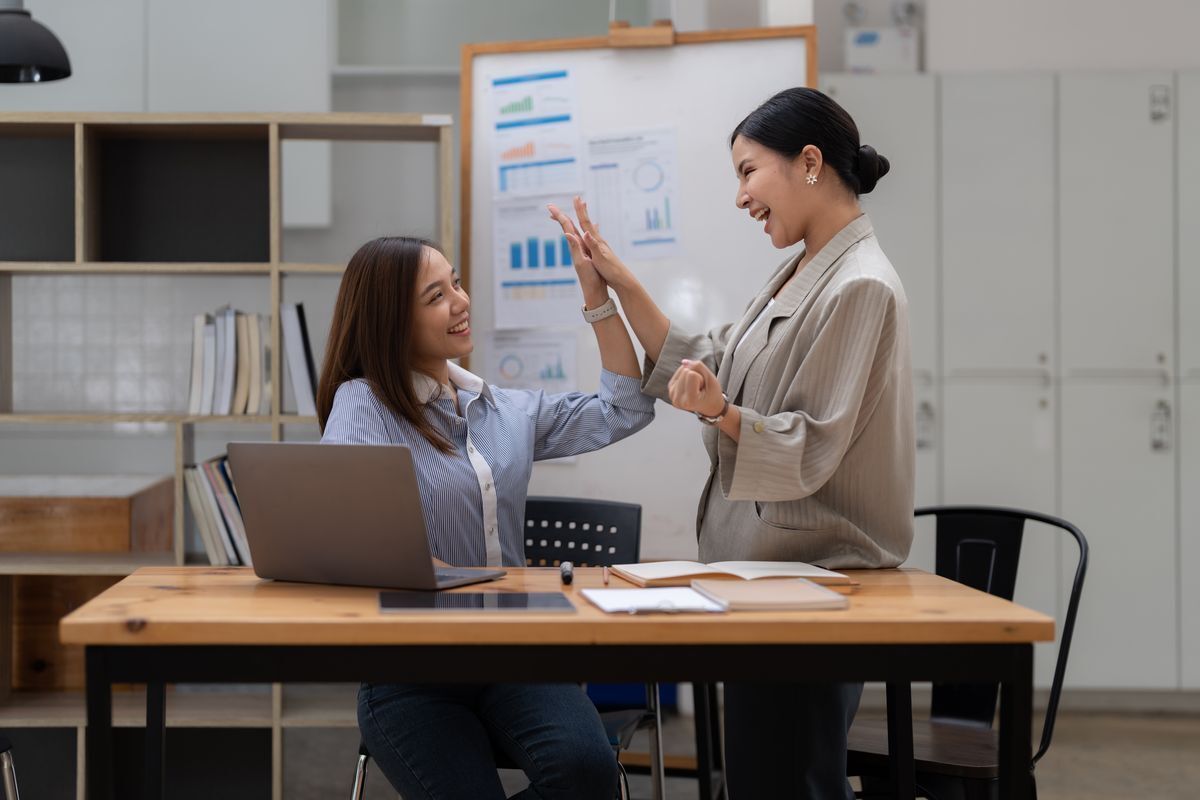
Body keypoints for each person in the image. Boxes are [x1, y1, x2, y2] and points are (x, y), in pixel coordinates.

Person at [550, 86, 914, 799]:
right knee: (759, 777)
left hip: (814, 583)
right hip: (767, 576)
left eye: (749, 171)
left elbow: (811, 444)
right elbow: (711, 360)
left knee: (791, 781)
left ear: (810, 162)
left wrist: (721, 413)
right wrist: (617, 284)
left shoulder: (861, 286)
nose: (741, 196)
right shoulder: (804, 268)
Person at [316, 235, 654, 800]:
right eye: (435, 296)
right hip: (412, 674)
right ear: (390, 321)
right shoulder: (364, 403)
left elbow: (625, 409)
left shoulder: (504, 410)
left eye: (455, 283)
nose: (461, 300)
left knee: (587, 774)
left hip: (517, 657)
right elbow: (341, 529)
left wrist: (597, 295)